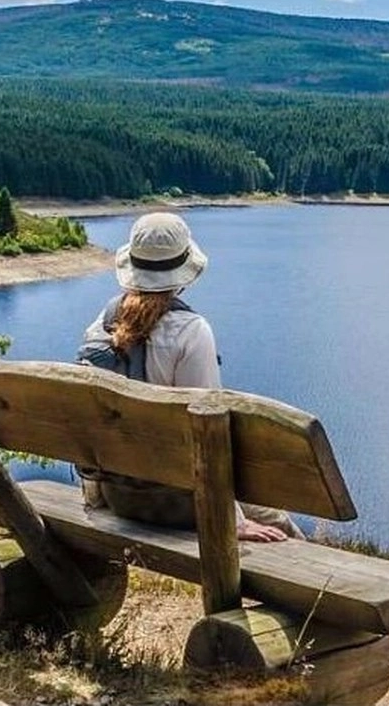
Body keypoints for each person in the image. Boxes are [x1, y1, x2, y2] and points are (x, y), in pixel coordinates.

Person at [76, 211, 300, 543]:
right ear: (183, 273)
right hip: (175, 503)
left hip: (113, 495)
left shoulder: (102, 324)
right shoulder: (191, 333)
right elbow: (208, 432)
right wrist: (233, 519)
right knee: (281, 525)